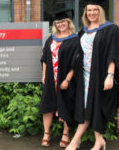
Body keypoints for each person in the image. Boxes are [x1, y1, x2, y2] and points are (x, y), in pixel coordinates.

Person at [66, 0, 119, 150]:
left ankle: (76, 141)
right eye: (88, 10)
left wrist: (110, 75)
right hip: (84, 76)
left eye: (94, 10)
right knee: (88, 107)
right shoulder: (82, 32)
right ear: (85, 13)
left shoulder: (110, 29)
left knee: (95, 106)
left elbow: (113, 54)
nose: (91, 13)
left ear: (100, 11)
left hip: (100, 76)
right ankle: (99, 141)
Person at [39, 10, 81, 147]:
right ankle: (46, 133)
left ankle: (65, 134)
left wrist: (67, 79)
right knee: (47, 105)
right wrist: (44, 74)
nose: (61, 24)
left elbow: (76, 62)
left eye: (63, 21)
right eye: (58, 22)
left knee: (67, 104)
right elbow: (45, 57)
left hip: (65, 79)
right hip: (51, 78)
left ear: (68, 23)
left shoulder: (75, 39)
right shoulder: (51, 38)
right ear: (55, 25)